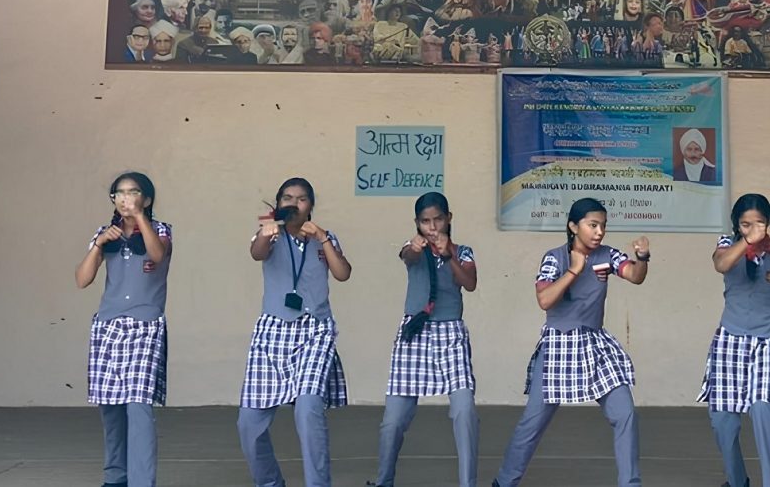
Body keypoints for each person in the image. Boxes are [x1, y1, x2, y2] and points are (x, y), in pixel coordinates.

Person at [492, 198, 651, 487]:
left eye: (603, 225)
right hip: (558, 346)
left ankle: (631, 483)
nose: (599, 231)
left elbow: (634, 276)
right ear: (573, 226)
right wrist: (574, 270)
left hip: (594, 344)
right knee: (533, 422)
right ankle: (504, 482)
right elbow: (544, 299)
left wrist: (642, 257)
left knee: (625, 413)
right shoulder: (555, 257)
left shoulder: (607, 255)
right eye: (592, 225)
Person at [237, 178, 353, 487]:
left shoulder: (324, 239)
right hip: (273, 329)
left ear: (311, 206)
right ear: (278, 204)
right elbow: (256, 253)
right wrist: (266, 233)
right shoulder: (269, 235)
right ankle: (270, 482)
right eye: (287, 198)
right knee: (248, 422)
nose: (294, 203)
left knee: (308, 407)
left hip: (315, 329)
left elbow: (343, 274)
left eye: (301, 199)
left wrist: (324, 238)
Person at [370, 193, 479, 487]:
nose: (432, 227)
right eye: (425, 221)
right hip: (415, 332)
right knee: (393, 420)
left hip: (450, 332)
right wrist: (417, 247)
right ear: (417, 224)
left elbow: (469, 282)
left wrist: (448, 255)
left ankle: (468, 483)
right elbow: (409, 256)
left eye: (437, 219)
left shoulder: (463, 251)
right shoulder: (413, 247)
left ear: (449, 218)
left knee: (464, 410)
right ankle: (383, 481)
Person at [75, 172, 172, 487]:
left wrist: (139, 217)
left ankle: (143, 481)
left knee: (138, 403)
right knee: (111, 406)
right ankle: (115, 477)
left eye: (134, 191)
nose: (126, 197)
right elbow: (82, 279)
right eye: (120, 192)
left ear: (147, 198)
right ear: (113, 199)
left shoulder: (160, 230)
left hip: (145, 325)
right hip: (108, 324)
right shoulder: (106, 234)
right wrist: (99, 245)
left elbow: (156, 255)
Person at [701, 194, 770, 487]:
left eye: (759, 223)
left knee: (762, 409)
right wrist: (747, 241)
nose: (753, 229)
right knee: (722, 419)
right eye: (745, 224)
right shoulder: (727, 245)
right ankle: (736, 481)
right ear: (737, 226)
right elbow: (721, 265)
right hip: (730, 339)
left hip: (768, 340)